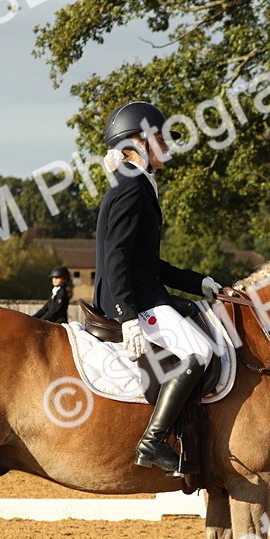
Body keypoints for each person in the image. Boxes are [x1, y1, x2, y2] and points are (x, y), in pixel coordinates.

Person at [94, 100, 222, 476]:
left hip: (146, 293)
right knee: (199, 351)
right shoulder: (132, 186)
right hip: (136, 302)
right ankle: (152, 442)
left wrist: (198, 282)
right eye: (161, 139)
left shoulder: (135, 183)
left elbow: (147, 263)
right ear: (139, 141)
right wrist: (128, 316)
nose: (168, 146)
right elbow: (115, 255)